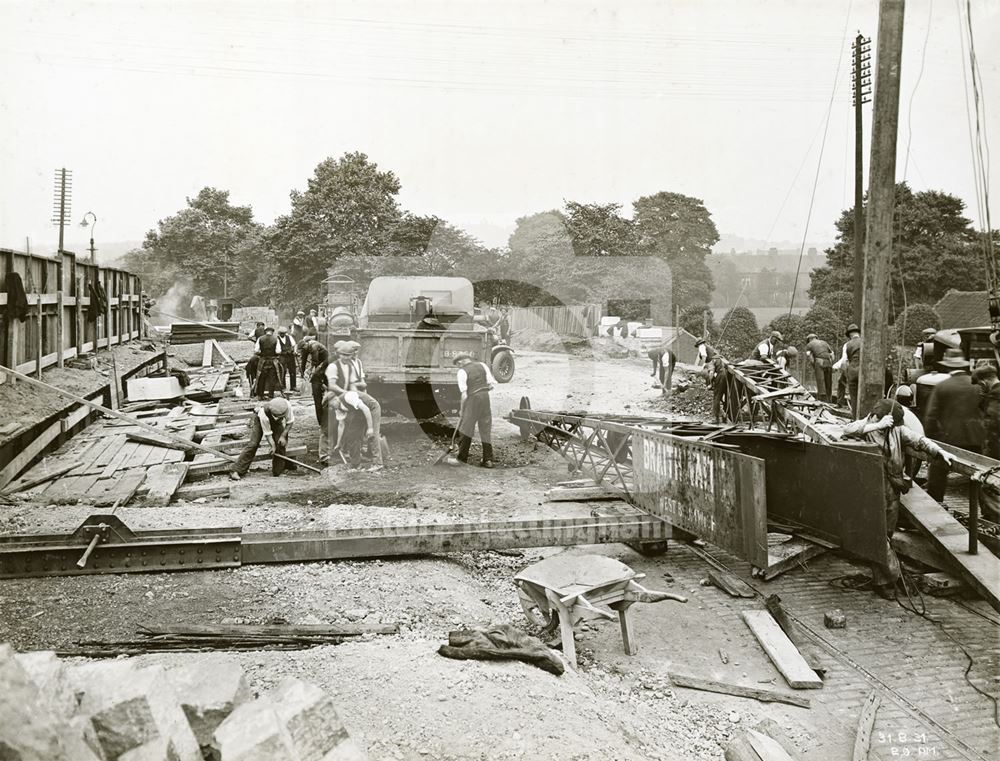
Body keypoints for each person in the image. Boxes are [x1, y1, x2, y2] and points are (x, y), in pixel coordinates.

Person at [842, 399, 952, 598]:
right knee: (879, 534)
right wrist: (877, 425)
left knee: (887, 535)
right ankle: (892, 578)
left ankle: (883, 579)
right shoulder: (866, 427)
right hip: (871, 489)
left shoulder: (897, 431)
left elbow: (919, 440)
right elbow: (847, 430)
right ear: (877, 416)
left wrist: (939, 451)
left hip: (892, 490)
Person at [924, 349, 985, 501]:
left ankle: (935, 503)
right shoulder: (978, 386)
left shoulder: (942, 386)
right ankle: (985, 511)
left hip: (949, 439)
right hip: (975, 439)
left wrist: (932, 441)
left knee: (938, 473)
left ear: (947, 366)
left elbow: (931, 417)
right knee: (980, 475)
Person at [325, 340, 383, 468]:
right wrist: (338, 443)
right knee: (352, 435)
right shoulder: (338, 407)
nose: (331, 407)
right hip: (357, 408)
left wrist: (370, 428)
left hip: (371, 407)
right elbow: (341, 425)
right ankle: (356, 464)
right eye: (343, 355)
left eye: (330, 404)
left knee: (372, 435)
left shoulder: (347, 396)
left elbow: (366, 409)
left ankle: (377, 463)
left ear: (334, 399)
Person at [447, 353, 496, 468]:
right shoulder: (482, 365)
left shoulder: (462, 372)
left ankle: (461, 459)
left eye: (457, 365)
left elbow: (464, 395)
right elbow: (491, 385)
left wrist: (462, 410)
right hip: (485, 398)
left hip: (472, 399)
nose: (458, 367)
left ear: (460, 363)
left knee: (466, 429)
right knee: (485, 428)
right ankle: (488, 460)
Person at [230, 397, 296, 480]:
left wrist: (283, 436)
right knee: (253, 444)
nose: (276, 417)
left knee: (281, 443)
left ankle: (278, 470)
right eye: (275, 416)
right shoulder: (263, 413)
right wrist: (272, 446)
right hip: (259, 421)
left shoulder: (287, 406)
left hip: (277, 423)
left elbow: (290, 422)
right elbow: (268, 433)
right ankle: (236, 470)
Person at [834, 324, 862, 416]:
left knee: (854, 396)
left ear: (850, 335)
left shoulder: (847, 344)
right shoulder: (865, 342)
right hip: (864, 371)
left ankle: (855, 418)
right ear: (858, 333)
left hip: (852, 370)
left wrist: (838, 368)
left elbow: (845, 361)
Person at [252, 327, 282, 400]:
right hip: (272, 361)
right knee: (272, 378)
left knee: (261, 377)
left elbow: (256, 350)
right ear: (272, 332)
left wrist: (261, 352)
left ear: (266, 332)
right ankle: (270, 395)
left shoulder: (260, 339)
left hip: (263, 361)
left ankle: (260, 395)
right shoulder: (276, 339)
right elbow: (278, 351)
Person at [805, 333, 834, 402]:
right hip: (828, 363)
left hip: (819, 362)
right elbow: (832, 355)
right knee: (828, 382)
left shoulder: (809, 344)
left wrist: (814, 365)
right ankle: (829, 400)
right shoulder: (825, 343)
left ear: (809, 339)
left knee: (820, 382)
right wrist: (830, 363)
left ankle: (822, 401)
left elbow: (809, 356)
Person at [276, 325, 298, 392]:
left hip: (290, 356)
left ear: (285, 333)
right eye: (281, 333)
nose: (282, 335)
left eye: (283, 333)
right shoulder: (277, 339)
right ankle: (282, 386)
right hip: (282, 356)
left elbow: (294, 345)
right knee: (282, 371)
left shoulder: (289, 337)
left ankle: (293, 386)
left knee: (292, 371)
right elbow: (277, 350)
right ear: (279, 333)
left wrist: (295, 351)